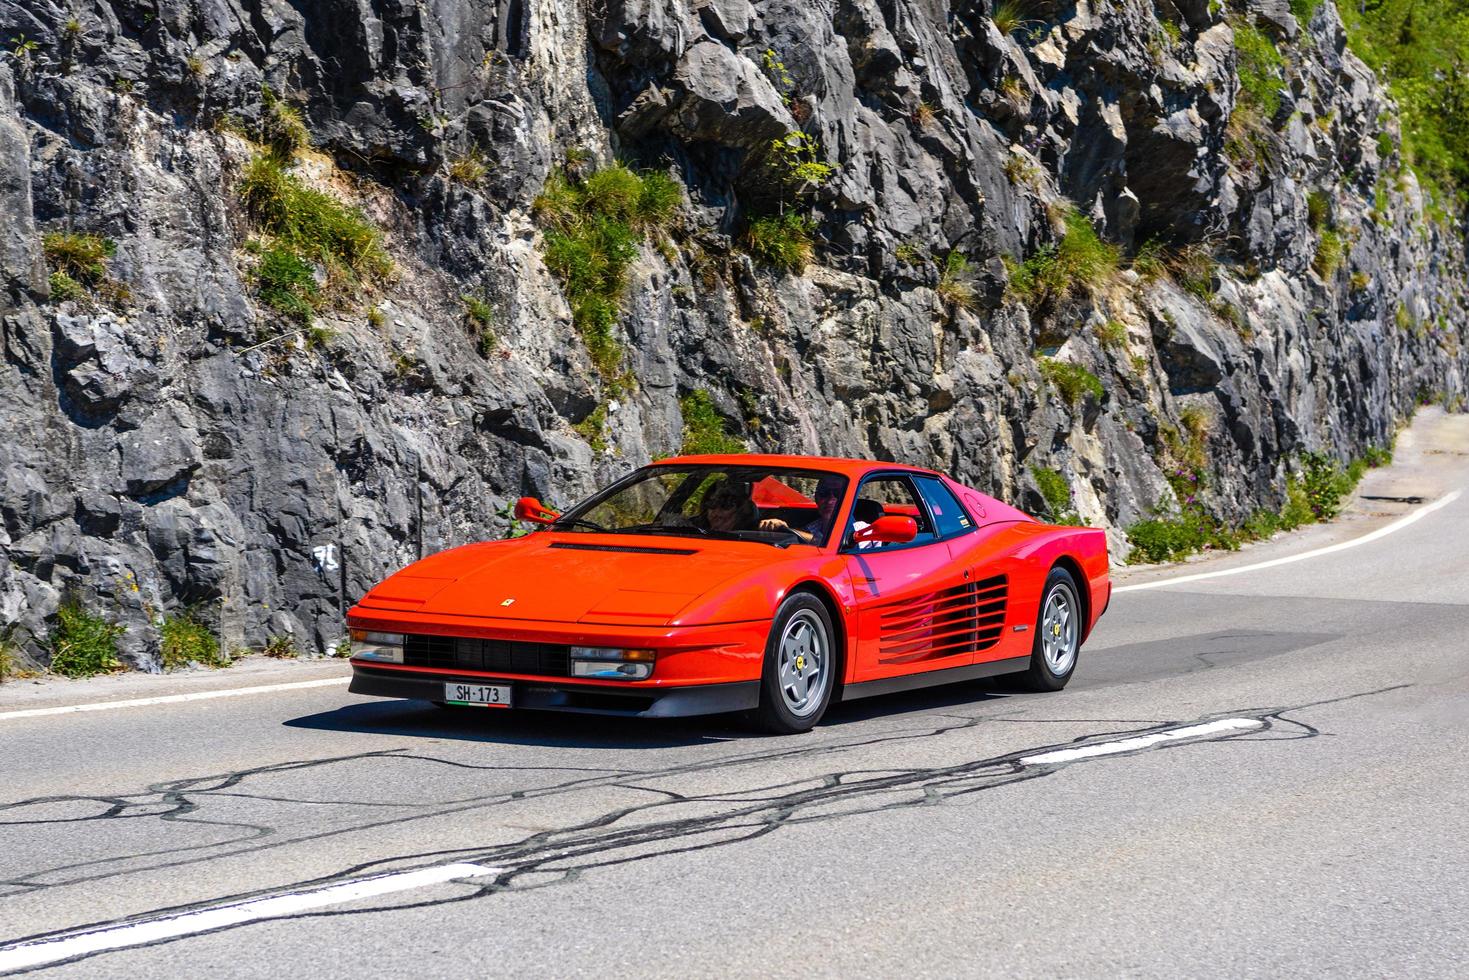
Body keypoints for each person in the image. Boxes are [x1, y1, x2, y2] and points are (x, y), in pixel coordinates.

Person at [759, 475, 844, 544]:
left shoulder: (856, 529)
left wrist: (784, 529)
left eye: (838, 494)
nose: (830, 501)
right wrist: (775, 527)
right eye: (824, 493)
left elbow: (834, 544)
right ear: (817, 498)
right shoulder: (810, 528)